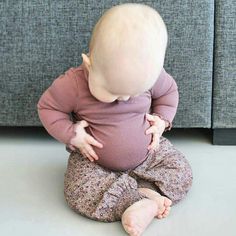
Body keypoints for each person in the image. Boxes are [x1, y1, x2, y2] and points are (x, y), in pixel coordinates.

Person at [37, 3, 193, 236]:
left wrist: (162, 120)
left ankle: (140, 195)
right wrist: (72, 134)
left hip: (148, 154)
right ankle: (137, 200)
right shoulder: (74, 83)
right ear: (90, 65)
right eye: (113, 92)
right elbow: (48, 108)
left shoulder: (152, 75)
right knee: (77, 190)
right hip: (94, 162)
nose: (124, 99)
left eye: (133, 93)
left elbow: (168, 93)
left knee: (181, 171)